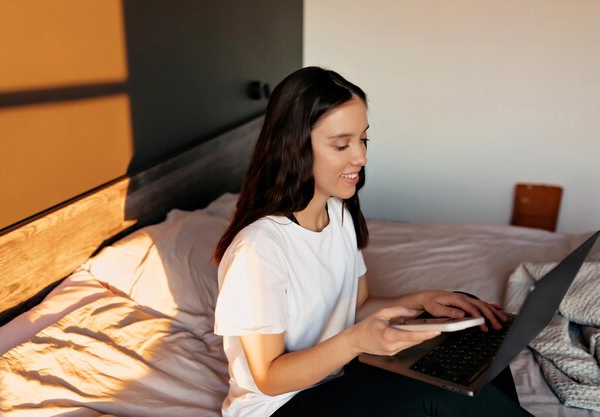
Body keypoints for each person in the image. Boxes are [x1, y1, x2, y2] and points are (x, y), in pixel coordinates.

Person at [213, 67, 533, 417]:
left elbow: (358, 303)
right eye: (341, 144)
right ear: (295, 147)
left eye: (363, 140)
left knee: (469, 316)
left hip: (334, 379)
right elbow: (269, 378)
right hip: (280, 406)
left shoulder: (338, 212)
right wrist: (355, 341)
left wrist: (424, 299)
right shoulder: (259, 248)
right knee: (434, 390)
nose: (360, 158)